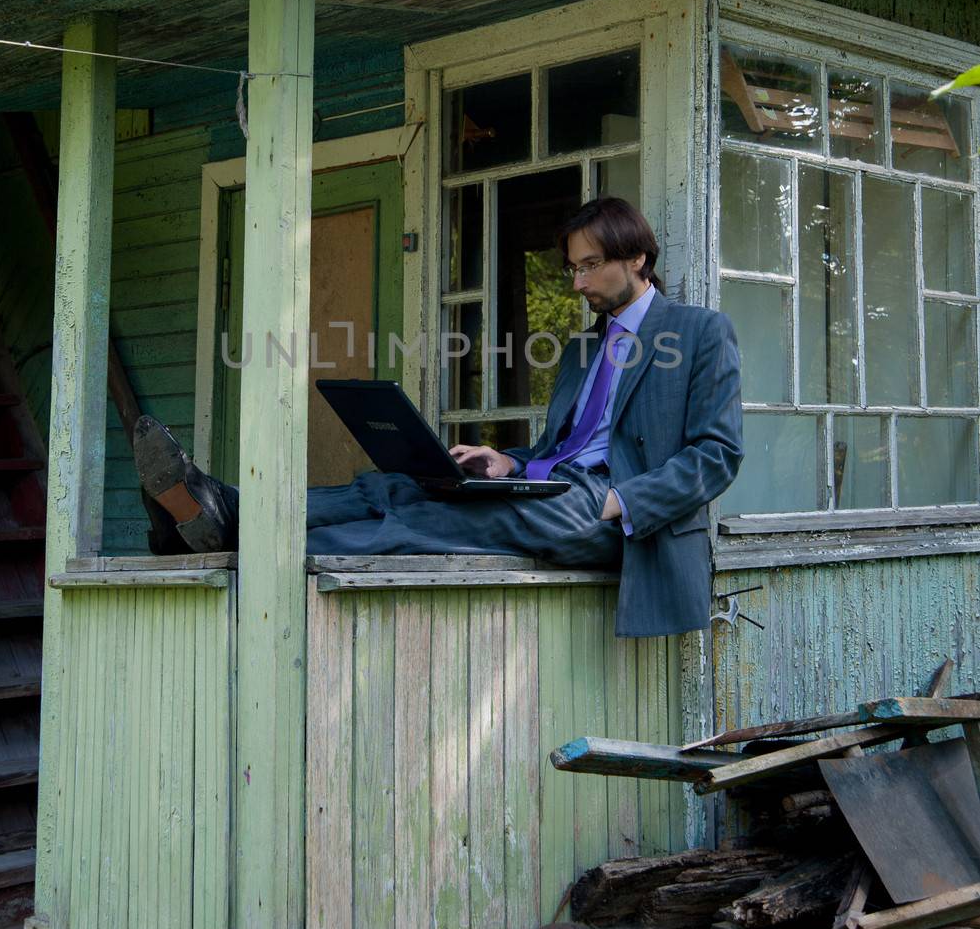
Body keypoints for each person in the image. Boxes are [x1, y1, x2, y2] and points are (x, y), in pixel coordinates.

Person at [132, 197, 743, 637]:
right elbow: (563, 444)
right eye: (573, 268)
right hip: (553, 486)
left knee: (445, 514)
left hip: (616, 516)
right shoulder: (586, 348)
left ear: (636, 256)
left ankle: (255, 545)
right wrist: (509, 460)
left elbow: (718, 454)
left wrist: (624, 502)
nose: (577, 282)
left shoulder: (698, 333)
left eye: (589, 266)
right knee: (402, 483)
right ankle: (233, 509)